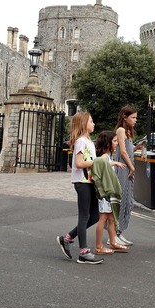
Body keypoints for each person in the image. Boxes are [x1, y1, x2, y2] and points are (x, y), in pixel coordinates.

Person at [56, 111, 103, 264]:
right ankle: (83, 252)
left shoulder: (88, 141)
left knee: (95, 216)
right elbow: (79, 163)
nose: (93, 123)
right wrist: (98, 162)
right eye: (91, 121)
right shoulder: (81, 141)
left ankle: (67, 238)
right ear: (84, 124)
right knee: (84, 216)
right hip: (82, 182)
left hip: (91, 182)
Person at [112, 106, 145, 246]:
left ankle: (120, 232)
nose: (135, 120)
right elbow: (123, 152)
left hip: (129, 170)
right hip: (124, 169)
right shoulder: (120, 130)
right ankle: (113, 235)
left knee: (128, 202)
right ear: (124, 117)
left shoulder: (128, 133)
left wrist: (138, 147)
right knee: (121, 201)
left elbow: (129, 150)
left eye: (136, 117)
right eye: (133, 117)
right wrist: (132, 167)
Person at [91, 130, 128, 254]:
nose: (117, 143)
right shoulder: (103, 157)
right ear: (107, 143)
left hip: (109, 193)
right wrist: (115, 163)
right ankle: (98, 246)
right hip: (105, 194)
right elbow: (101, 165)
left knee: (111, 218)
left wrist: (114, 162)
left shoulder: (107, 157)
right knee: (103, 218)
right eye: (115, 141)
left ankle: (112, 242)